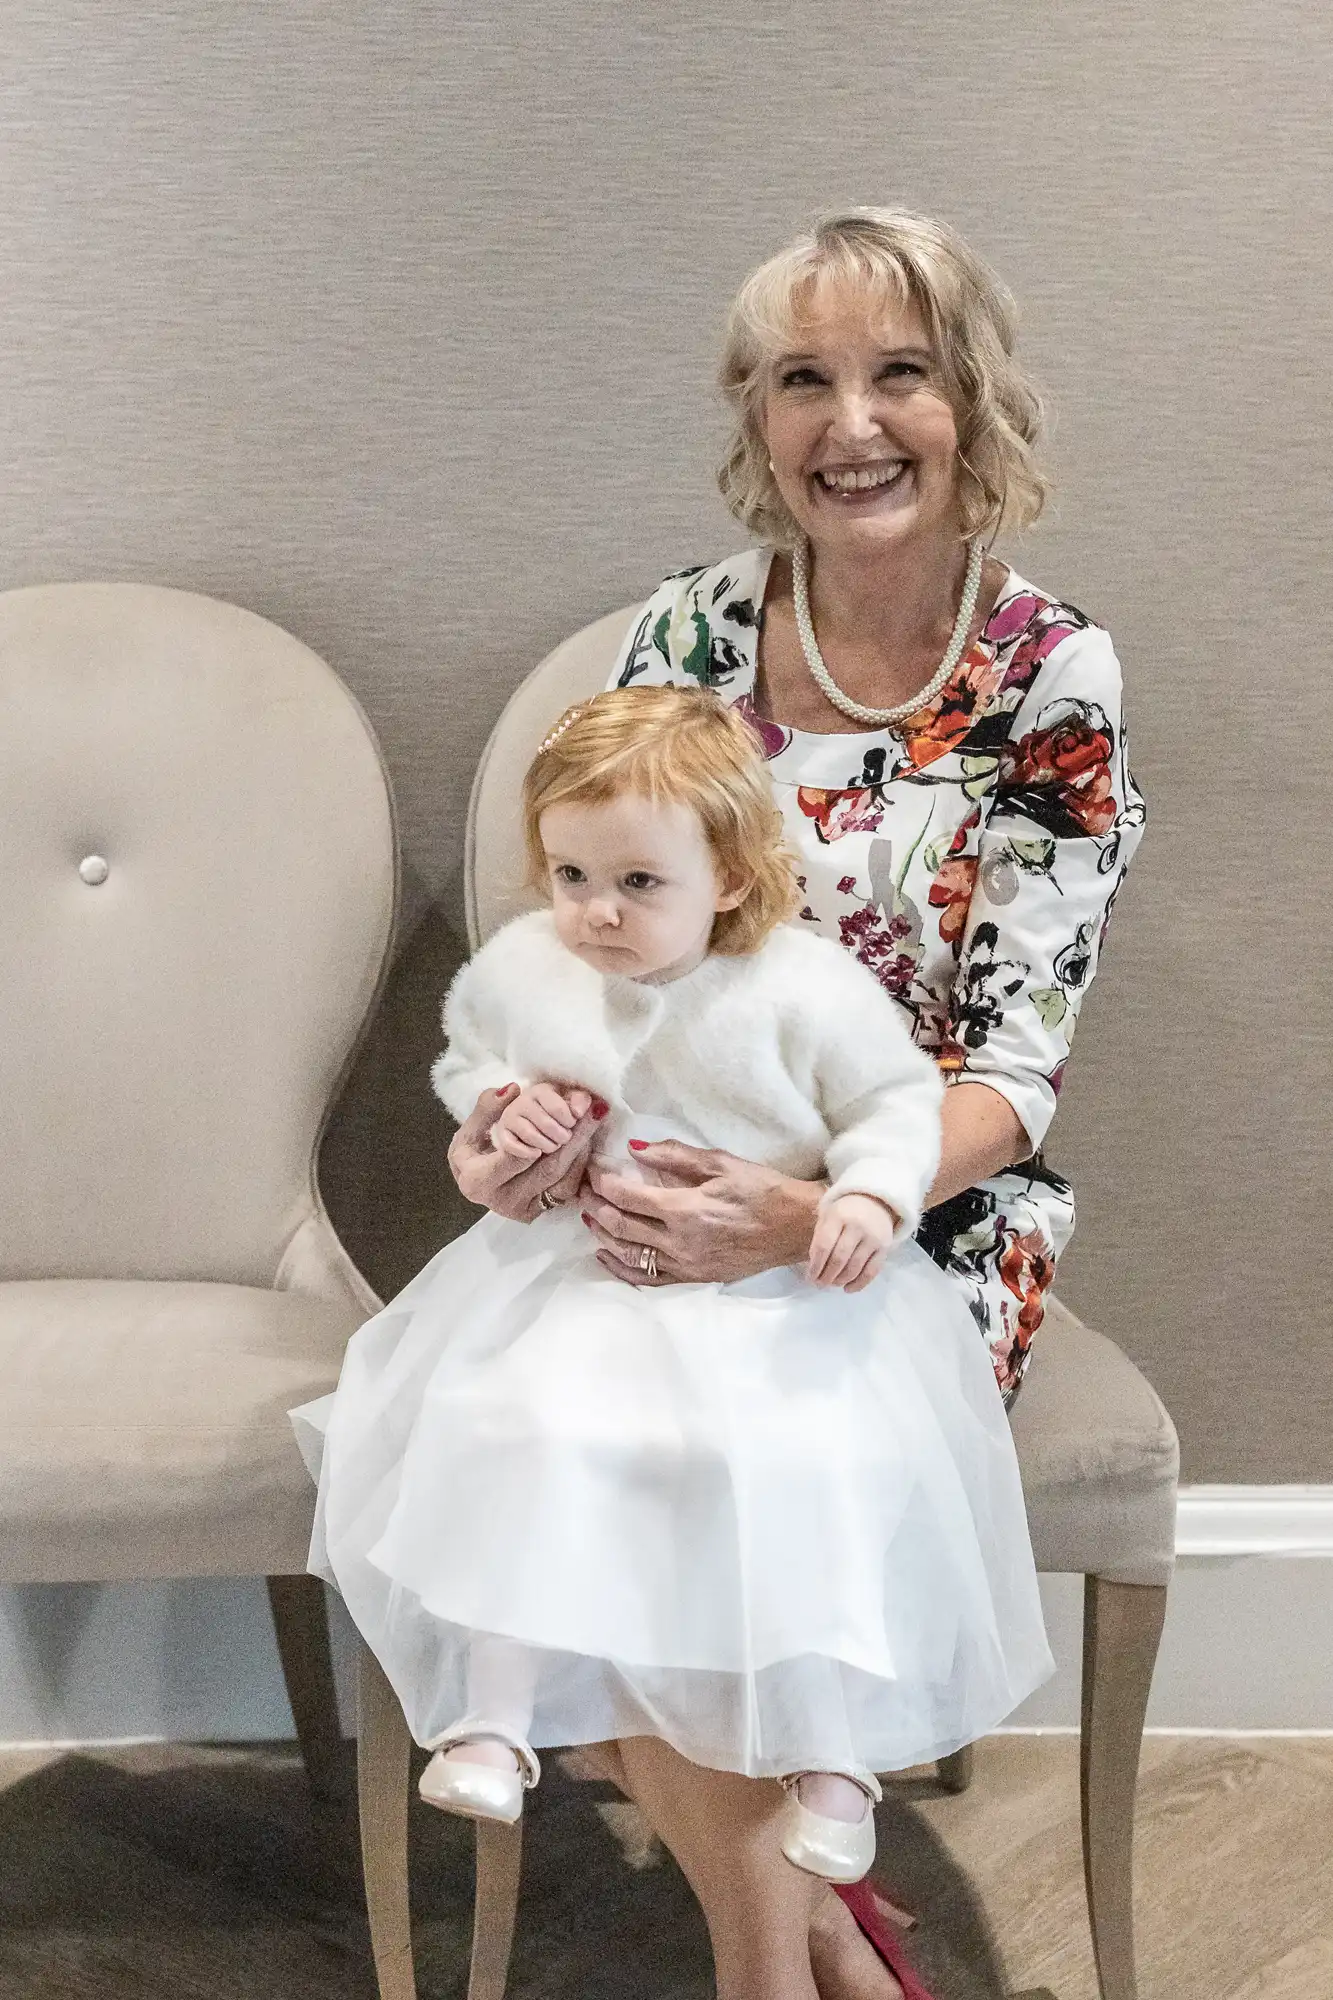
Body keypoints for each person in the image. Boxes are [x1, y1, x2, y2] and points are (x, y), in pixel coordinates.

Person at [444, 209, 1145, 2000]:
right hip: (663, 1175)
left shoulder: (1044, 676)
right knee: (573, 1435)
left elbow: (1009, 1064)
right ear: (754, 422)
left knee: (725, 1468)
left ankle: (777, 1970)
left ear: (968, 401)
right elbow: (593, 950)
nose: (851, 422)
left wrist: (817, 1207)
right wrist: (541, 1129)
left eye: (897, 372)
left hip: (914, 1205)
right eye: (800, 380)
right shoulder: (680, 634)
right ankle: (818, 1933)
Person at [296, 685, 1051, 1903]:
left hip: (777, 1294)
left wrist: (860, 1198)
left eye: (638, 884)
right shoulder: (536, 969)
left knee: (808, 1464)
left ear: (733, 879)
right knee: (514, 1423)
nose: (595, 910)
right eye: (570, 873)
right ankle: (491, 1716)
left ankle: (833, 1755)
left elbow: (895, 1107)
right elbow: (474, 1070)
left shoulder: (801, 987)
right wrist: (493, 1134)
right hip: (583, 1277)